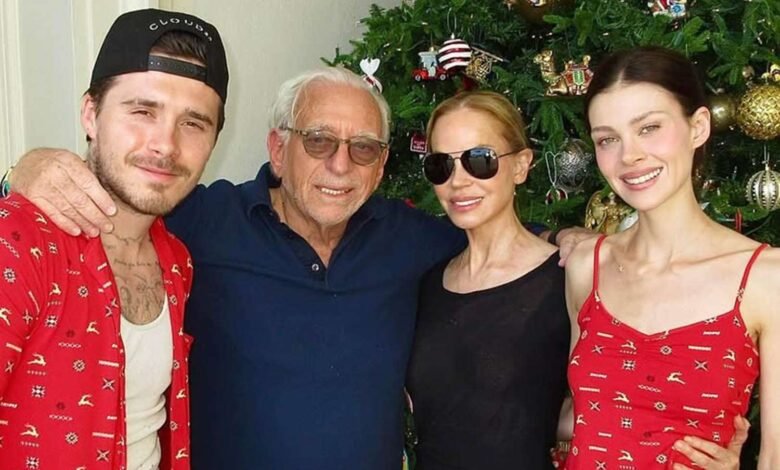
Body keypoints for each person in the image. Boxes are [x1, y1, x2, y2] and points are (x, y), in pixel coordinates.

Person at [0, 8, 228, 470]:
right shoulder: (19, 243)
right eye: (143, 111)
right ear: (91, 114)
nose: (165, 145)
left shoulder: (176, 260)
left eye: (193, 123)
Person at [565, 46, 779, 469]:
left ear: (698, 127)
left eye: (649, 128)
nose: (629, 156)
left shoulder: (765, 278)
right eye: (608, 139)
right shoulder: (587, 265)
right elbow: (582, 416)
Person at [405, 91, 570, 469]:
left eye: (479, 160)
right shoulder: (429, 284)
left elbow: (601, 403)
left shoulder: (563, 278)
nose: (458, 182)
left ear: (521, 166)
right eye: (441, 165)